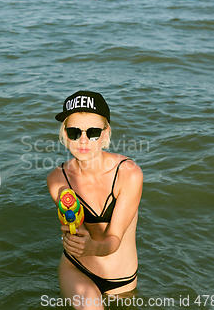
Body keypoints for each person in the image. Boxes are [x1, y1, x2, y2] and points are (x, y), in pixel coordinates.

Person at [46, 91, 143, 310]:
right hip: (78, 268)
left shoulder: (128, 174)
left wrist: (91, 247)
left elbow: (114, 239)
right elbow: (76, 228)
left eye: (93, 132)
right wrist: (77, 239)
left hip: (122, 281)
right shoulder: (57, 179)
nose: (83, 140)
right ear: (64, 133)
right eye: (74, 131)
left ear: (106, 134)